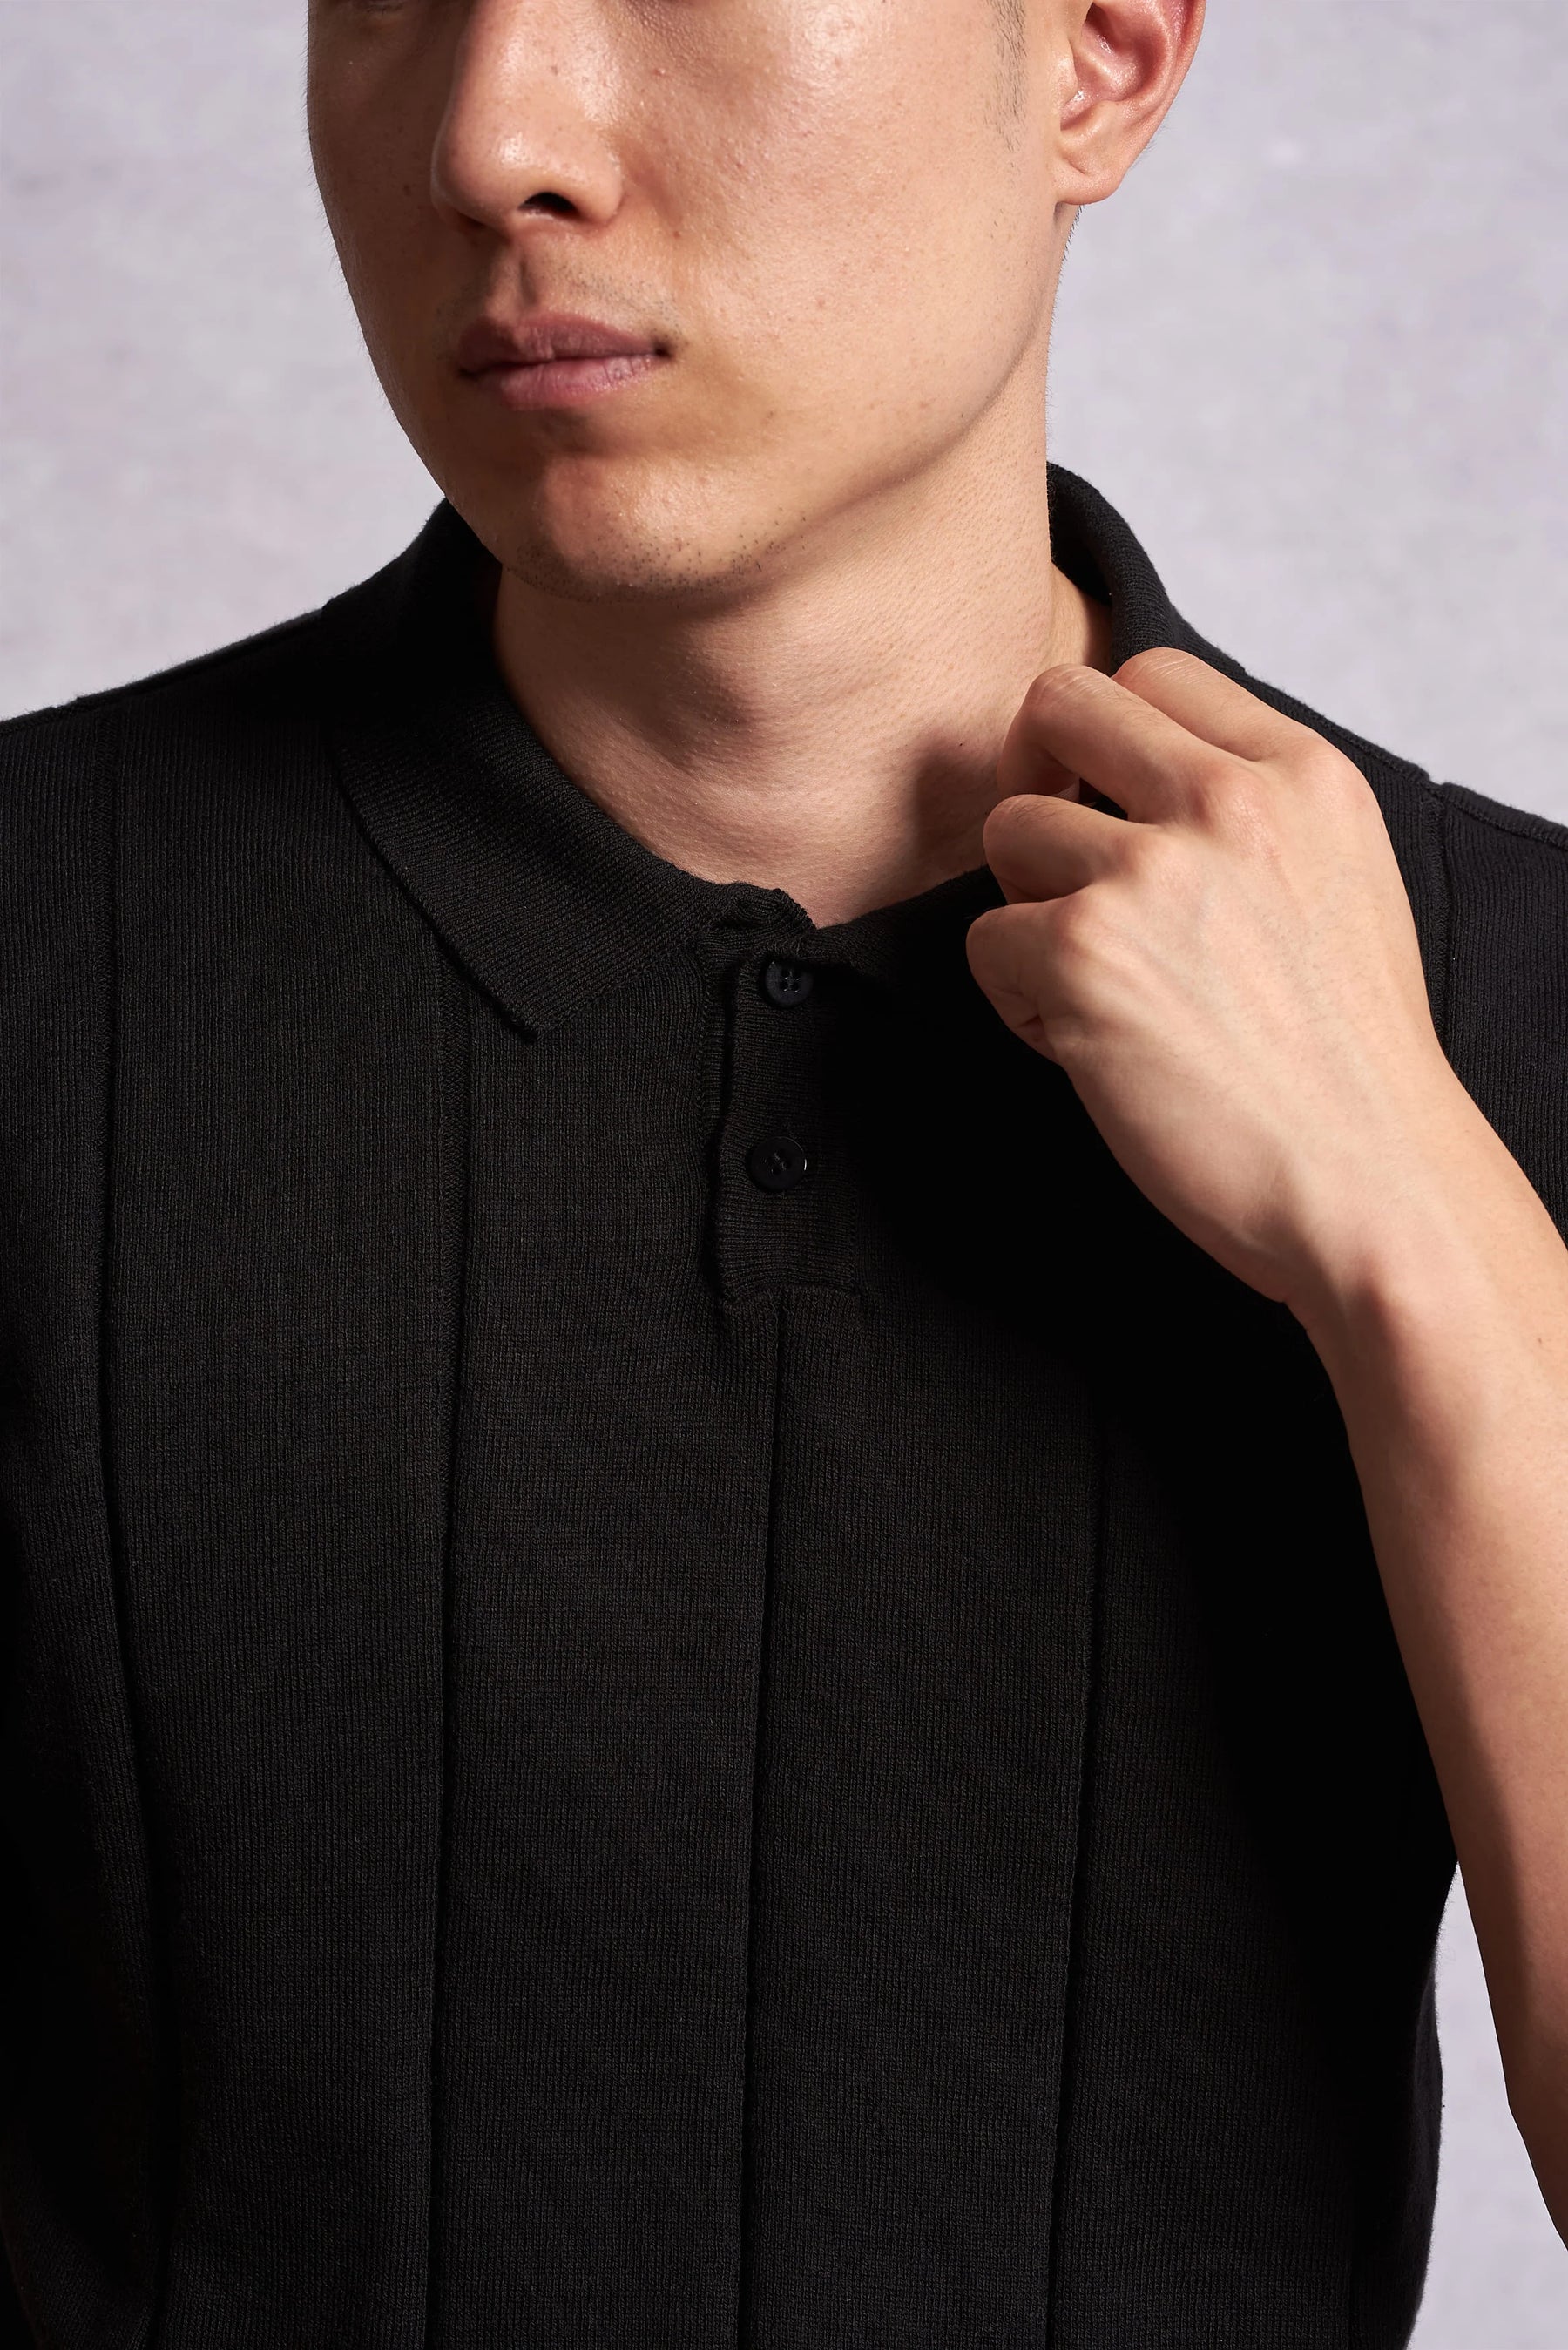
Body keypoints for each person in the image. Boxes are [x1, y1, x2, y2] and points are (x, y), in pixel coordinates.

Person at [2, 0, 1565, 2340]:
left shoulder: (1510, 992)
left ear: (1101, 57)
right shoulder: (43, 945)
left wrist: (1421, 1233)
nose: (491, 137)